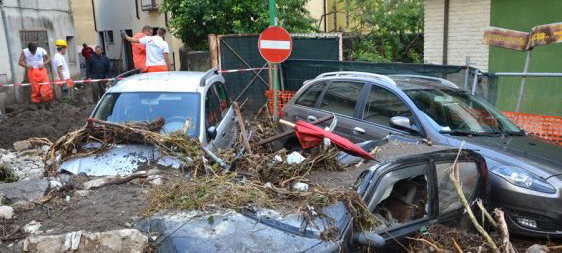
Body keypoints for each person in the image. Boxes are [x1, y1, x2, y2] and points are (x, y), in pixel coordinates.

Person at [18, 42, 52, 108]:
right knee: (35, 90)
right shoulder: (24, 52)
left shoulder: (41, 50)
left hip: (42, 71)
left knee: (45, 87)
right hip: (32, 72)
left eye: (34, 51)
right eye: (31, 51)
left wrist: (43, 64)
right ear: (29, 49)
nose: (33, 53)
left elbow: (49, 58)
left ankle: (47, 103)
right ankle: (38, 105)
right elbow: (19, 62)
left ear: (36, 48)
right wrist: (26, 66)